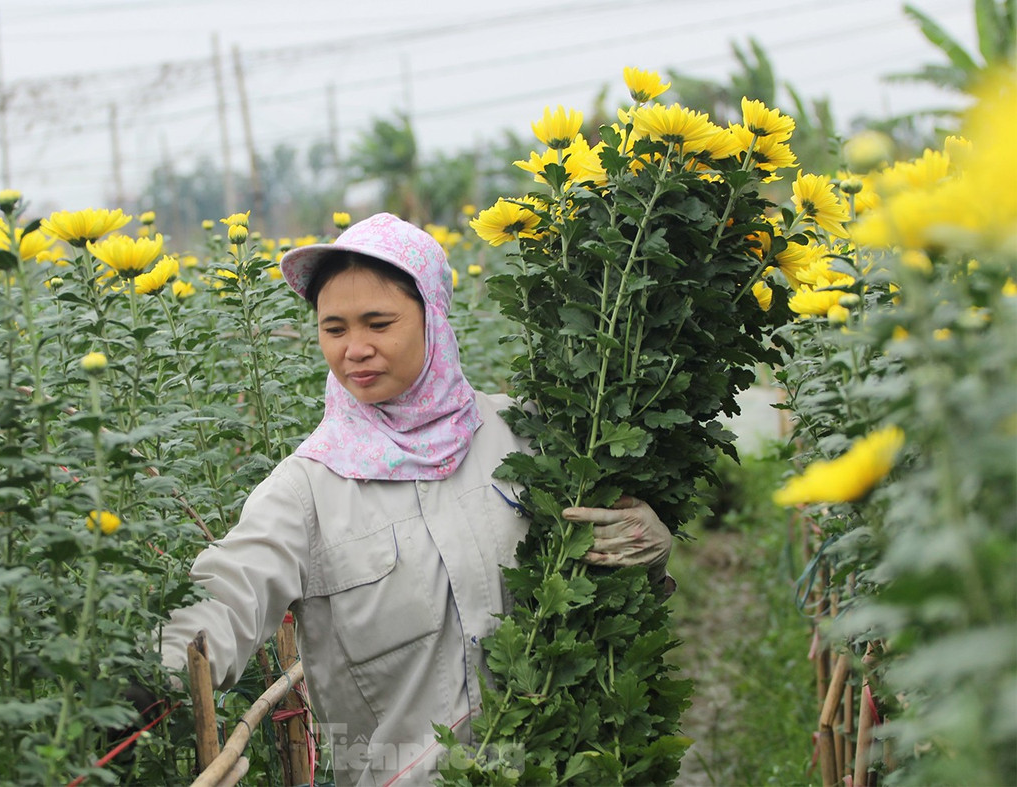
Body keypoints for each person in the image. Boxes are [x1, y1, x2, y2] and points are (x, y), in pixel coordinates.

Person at [159, 212, 673, 785]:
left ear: (434, 319)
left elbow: (604, 593)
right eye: (334, 329)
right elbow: (229, 595)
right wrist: (155, 670)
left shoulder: (525, 435)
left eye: (379, 323)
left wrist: (647, 550)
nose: (355, 349)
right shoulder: (307, 490)